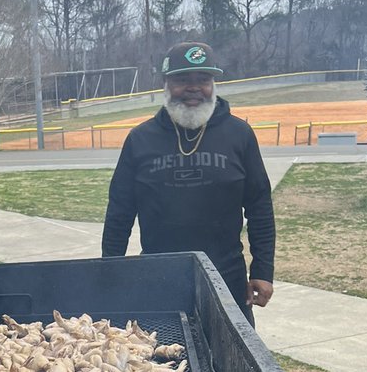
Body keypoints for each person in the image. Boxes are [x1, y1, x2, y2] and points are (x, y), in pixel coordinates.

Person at [101, 41, 274, 324]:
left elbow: (260, 207)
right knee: (160, 362)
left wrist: (263, 270)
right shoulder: (140, 140)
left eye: (203, 80)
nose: (194, 88)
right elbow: (119, 212)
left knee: (233, 363)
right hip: (158, 278)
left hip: (227, 277)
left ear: (213, 84)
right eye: (183, 80)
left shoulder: (239, 135)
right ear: (167, 84)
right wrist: (111, 271)